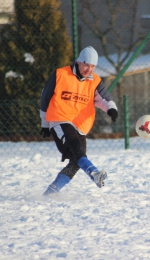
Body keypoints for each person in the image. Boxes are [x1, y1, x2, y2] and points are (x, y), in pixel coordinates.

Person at [40, 46, 118, 195]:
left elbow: (104, 98)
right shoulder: (60, 74)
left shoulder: (95, 81)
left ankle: (51, 192)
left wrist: (111, 108)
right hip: (60, 119)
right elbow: (45, 98)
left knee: (77, 161)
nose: (89, 69)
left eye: (93, 66)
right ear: (79, 62)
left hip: (80, 125)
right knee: (76, 146)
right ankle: (94, 173)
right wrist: (44, 123)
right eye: (86, 65)